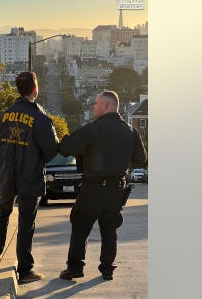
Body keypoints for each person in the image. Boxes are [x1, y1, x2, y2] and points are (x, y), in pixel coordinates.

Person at [58, 90, 147, 281]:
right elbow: (142, 159)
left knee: (80, 226)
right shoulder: (130, 131)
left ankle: (75, 268)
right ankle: (107, 269)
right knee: (110, 230)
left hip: (93, 188)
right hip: (116, 189)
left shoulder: (92, 129)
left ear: (105, 105)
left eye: (96, 104)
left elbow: (66, 149)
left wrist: (65, 138)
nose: (93, 107)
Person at [0, 71, 60, 284]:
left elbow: (0, 141)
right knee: (26, 221)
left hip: (7, 174)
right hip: (29, 176)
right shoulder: (41, 118)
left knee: (3, 210)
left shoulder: (4, 114)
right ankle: (25, 270)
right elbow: (51, 150)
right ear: (35, 89)